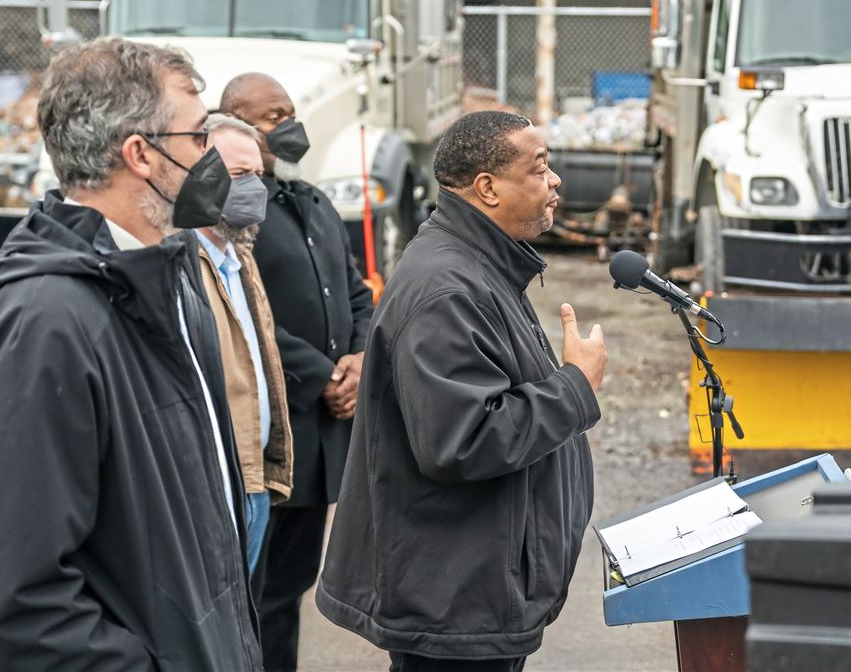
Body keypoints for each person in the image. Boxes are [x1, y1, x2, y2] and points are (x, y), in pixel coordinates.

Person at [0, 38, 263, 670]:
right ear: (140, 153)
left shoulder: (171, 278)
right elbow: (20, 604)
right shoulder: (45, 321)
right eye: (197, 137)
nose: (215, 155)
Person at [316, 110, 608, 671]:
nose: (555, 183)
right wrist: (576, 386)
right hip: (454, 602)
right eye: (540, 168)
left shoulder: (481, 264)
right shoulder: (446, 289)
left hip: (473, 591)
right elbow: (464, 440)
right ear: (488, 188)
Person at [220, 72, 375, 669]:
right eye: (271, 116)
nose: (288, 126)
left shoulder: (313, 200)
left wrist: (360, 360)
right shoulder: (237, 214)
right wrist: (325, 375)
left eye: (290, 111)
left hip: (320, 438)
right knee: (255, 593)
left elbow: (358, 292)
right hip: (271, 428)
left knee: (289, 586)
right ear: (232, 122)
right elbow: (243, 310)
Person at [195, 113, 295, 576]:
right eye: (238, 175)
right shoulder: (182, 266)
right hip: (211, 486)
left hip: (254, 479)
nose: (254, 188)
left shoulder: (240, 259)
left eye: (258, 174)